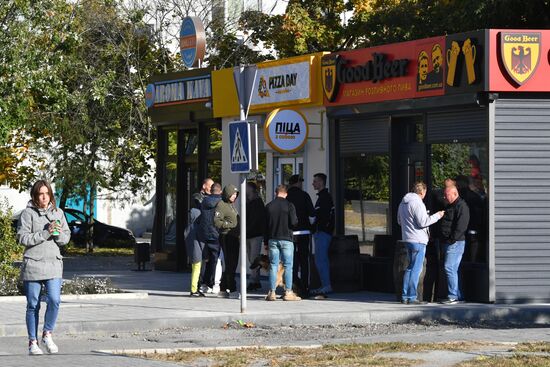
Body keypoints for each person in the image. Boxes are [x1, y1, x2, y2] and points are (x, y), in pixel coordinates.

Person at [16, 180, 70, 355]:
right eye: (41, 193)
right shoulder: (27, 214)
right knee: (33, 304)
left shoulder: (58, 213)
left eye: (47, 193)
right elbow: (23, 238)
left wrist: (57, 233)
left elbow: (65, 239)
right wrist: (45, 232)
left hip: (53, 263)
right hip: (33, 264)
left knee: (54, 299)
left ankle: (47, 333)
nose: (45, 197)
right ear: (35, 195)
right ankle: (32, 342)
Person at [397, 182, 444, 305]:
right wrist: (437, 216)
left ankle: (404, 295)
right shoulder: (418, 203)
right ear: (422, 192)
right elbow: (424, 222)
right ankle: (412, 297)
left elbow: (399, 221)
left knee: (409, 268)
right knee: (416, 269)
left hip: (407, 239)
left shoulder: (403, 202)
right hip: (418, 240)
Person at [264, 184, 300, 301]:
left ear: (276, 193)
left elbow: (265, 226)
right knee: (288, 266)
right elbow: (294, 222)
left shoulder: (269, 206)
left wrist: (266, 242)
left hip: (273, 239)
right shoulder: (289, 205)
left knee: (273, 266)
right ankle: (288, 292)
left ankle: (272, 292)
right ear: (286, 194)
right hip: (287, 239)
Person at [439, 185, 470, 304]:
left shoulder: (461, 206)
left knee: (449, 267)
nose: (444, 197)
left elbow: (462, 225)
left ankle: (453, 296)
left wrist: (452, 239)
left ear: (454, 194)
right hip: (451, 242)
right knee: (454, 269)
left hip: (455, 242)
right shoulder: (451, 205)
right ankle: (458, 295)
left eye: (446, 195)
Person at [286, 174, 315, 297]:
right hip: (303, 232)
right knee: (304, 261)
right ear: (297, 182)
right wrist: (311, 226)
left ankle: (292, 287)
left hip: (290, 233)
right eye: (301, 182)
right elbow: (312, 215)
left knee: (292, 261)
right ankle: (304, 288)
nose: (302, 184)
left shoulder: (286, 197)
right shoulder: (304, 195)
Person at [311, 173, 335, 297]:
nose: (313, 183)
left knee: (321, 260)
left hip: (323, 233)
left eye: (315, 181)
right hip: (321, 232)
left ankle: (326, 285)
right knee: (320, 259)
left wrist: (319, 228)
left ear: (321, 182)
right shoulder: (322, 197)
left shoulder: (325, 198)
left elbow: (324, 216)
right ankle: (324, 285)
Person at [214, 184, 240, 299]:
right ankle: (232, 288)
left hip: (234, 237)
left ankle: (223, 288)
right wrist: (229, 225)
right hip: (227, 236)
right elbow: (217, 221)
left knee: (232, 263)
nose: (234, 196)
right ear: (227, 193)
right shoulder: (221, 204)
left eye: (235, 194)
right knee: (231, 263)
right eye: (233, 194)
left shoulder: (231, 205)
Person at [196, 183, 223, 295]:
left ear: (211, 191)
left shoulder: (204, 202)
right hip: (216, 234)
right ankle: (215, 284)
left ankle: (203, 284)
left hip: (204, 235)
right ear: (220, 191)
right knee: (216, 260)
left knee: (205, 260)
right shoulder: (221, 202)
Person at [245, 182, 266, 291]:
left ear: (252, 190)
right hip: (248, 234)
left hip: (255, 235)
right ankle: (256, 280)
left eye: (247, 188)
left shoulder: (258, 203)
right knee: (250, 258)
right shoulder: (248, 202)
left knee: (254, 258)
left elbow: (257, 220)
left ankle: (253, 280)